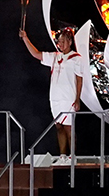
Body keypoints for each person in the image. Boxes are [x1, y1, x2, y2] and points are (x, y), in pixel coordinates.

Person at [19, 24, 85, 160]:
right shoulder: (55, 57)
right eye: (59, 42)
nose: (60, 44)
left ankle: (72, 157)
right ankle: (62, 156)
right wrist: (25, 38)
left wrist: (77, 99)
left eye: (62, 42)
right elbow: (36, 54)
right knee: (59, 127)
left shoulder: (76, 58)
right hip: (55, 98)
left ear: (70, 42)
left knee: (69, 128)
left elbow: (79, 80)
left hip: (68, 99)